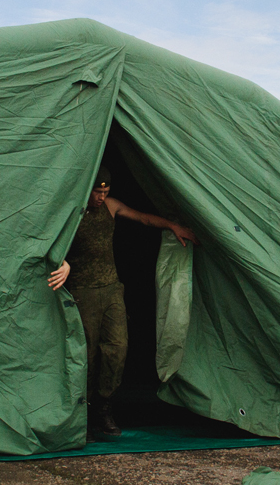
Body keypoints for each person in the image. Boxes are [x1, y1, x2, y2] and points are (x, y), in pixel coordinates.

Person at [65, 166, 198, 437]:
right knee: (88, 353)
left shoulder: (111, 207)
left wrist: (173, 226)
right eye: (97, 191)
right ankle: (83, 411)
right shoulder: (73, 212)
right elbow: (54, 241)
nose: (101, 197)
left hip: (112, 289)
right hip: (83, 291)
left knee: (117, 347)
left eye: (105, 191)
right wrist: (62, 262)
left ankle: (104, 406)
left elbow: (143, 219)